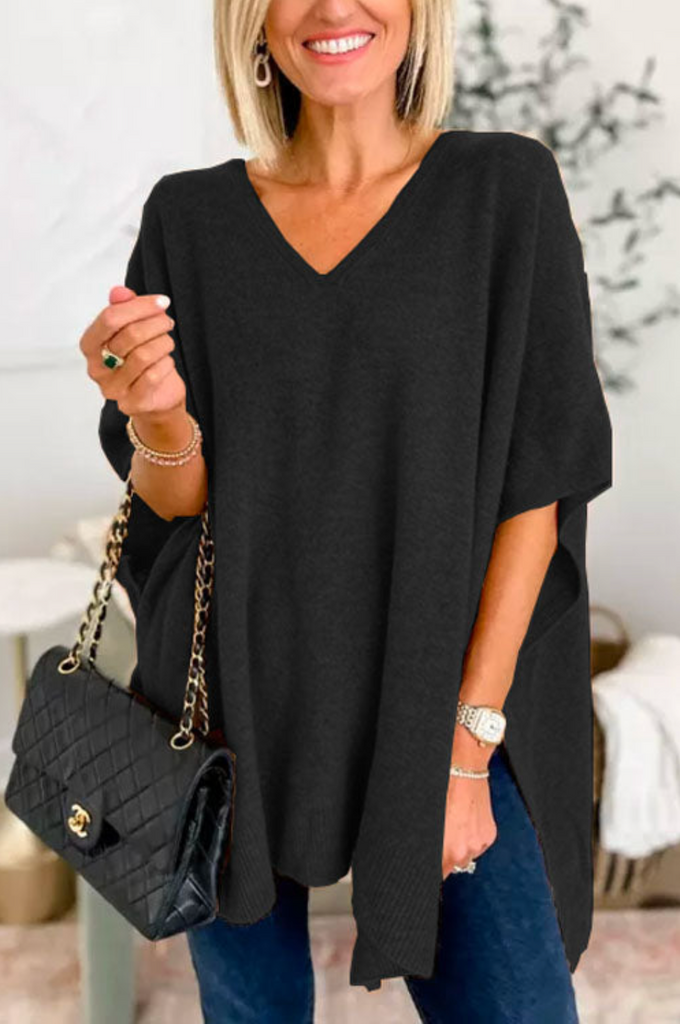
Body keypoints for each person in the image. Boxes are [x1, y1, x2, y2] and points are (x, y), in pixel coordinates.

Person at [81, 0, 613, 1020]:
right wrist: (155, 412)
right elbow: (177, 501)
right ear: (253, 21)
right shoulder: (189, 219)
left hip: (441, 698)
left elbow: (535, 493)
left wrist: (466, 751)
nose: (332, 7)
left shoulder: (503, 190)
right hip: (230, 707)